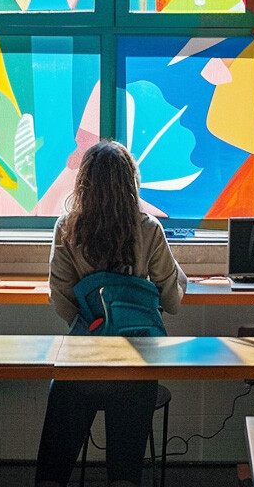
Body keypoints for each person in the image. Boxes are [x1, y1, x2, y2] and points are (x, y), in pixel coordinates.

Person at [35, 140, 187, 487]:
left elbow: (59, 298)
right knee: (124, 475)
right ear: (131, 182)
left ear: (83, 183)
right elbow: (173, 302)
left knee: (53, 472)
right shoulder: (148, 228)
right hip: (134, 366)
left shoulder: (67, 228)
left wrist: (93, 325)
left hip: (82, 364)